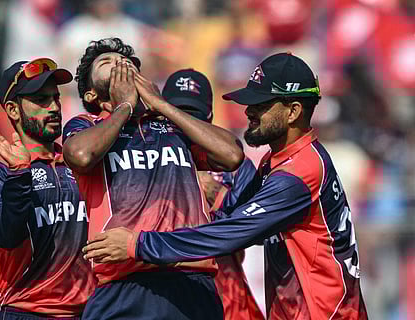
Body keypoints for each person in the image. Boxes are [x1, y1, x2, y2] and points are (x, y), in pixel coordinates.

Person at [82, 52, 369, 319]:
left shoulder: (299, 172)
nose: (248, 112)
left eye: (260, 105)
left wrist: (138, 244)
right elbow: (232, 216)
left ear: (293, 111)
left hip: (323, 312)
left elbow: (229, 234)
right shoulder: (279, 161)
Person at [62, 38, 244, 320]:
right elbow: (81, 155)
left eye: (126, 64)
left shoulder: (172, 125)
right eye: (106, 63)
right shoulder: (87, 125)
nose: (119, 66)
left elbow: (232, 154)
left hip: (191, 279)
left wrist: (160, 104)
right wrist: (123, 107)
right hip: (125, 282)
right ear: (90, 96)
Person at [0, 58, 96, 319]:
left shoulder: (79, 161)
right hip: (28, 312)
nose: (53, 107)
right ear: (13, 110)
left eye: (56, 98)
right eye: (41, 100)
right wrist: (20, 174)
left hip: (88, 313)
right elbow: (5, 234)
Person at [162, 68, 265, 320]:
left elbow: (262, 230)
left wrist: (216, 195)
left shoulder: (234, 165)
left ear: (209, 117)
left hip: (227, 301)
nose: (184, 125)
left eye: (193, 116)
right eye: (176, 115)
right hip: (163, 297)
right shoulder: (141, 161)